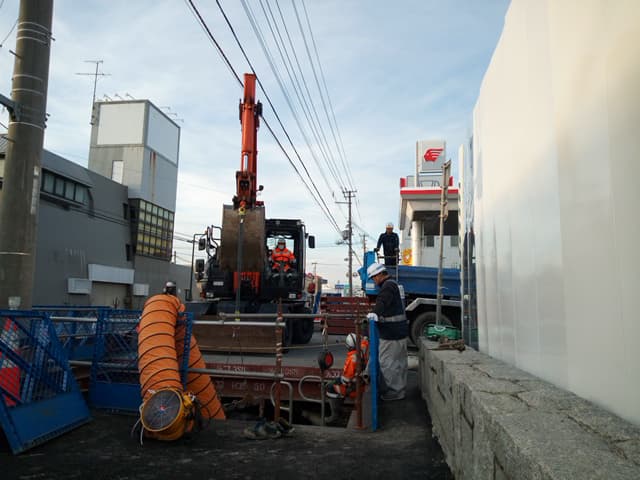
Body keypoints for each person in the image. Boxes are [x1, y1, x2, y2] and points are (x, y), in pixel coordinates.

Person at [366, 262, 408, 401]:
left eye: (374, 277)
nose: (374, 280)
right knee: (399, 362)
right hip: (400, 331)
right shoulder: (394, 284)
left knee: (387, 363)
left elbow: (383, 301)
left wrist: (375, 313)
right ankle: (400, 389)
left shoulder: (388, 286)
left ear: (379, 275)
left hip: (391, 333)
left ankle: (395, 392)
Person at [326, 333, 369, 399]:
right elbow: (365, 343)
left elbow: (346, 380)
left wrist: (337, 380)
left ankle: (340, 399)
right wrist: (364, 338)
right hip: (363, 385)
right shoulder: (362, 350)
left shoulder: (351, 360)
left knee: (329, 388)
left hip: (354, 389)